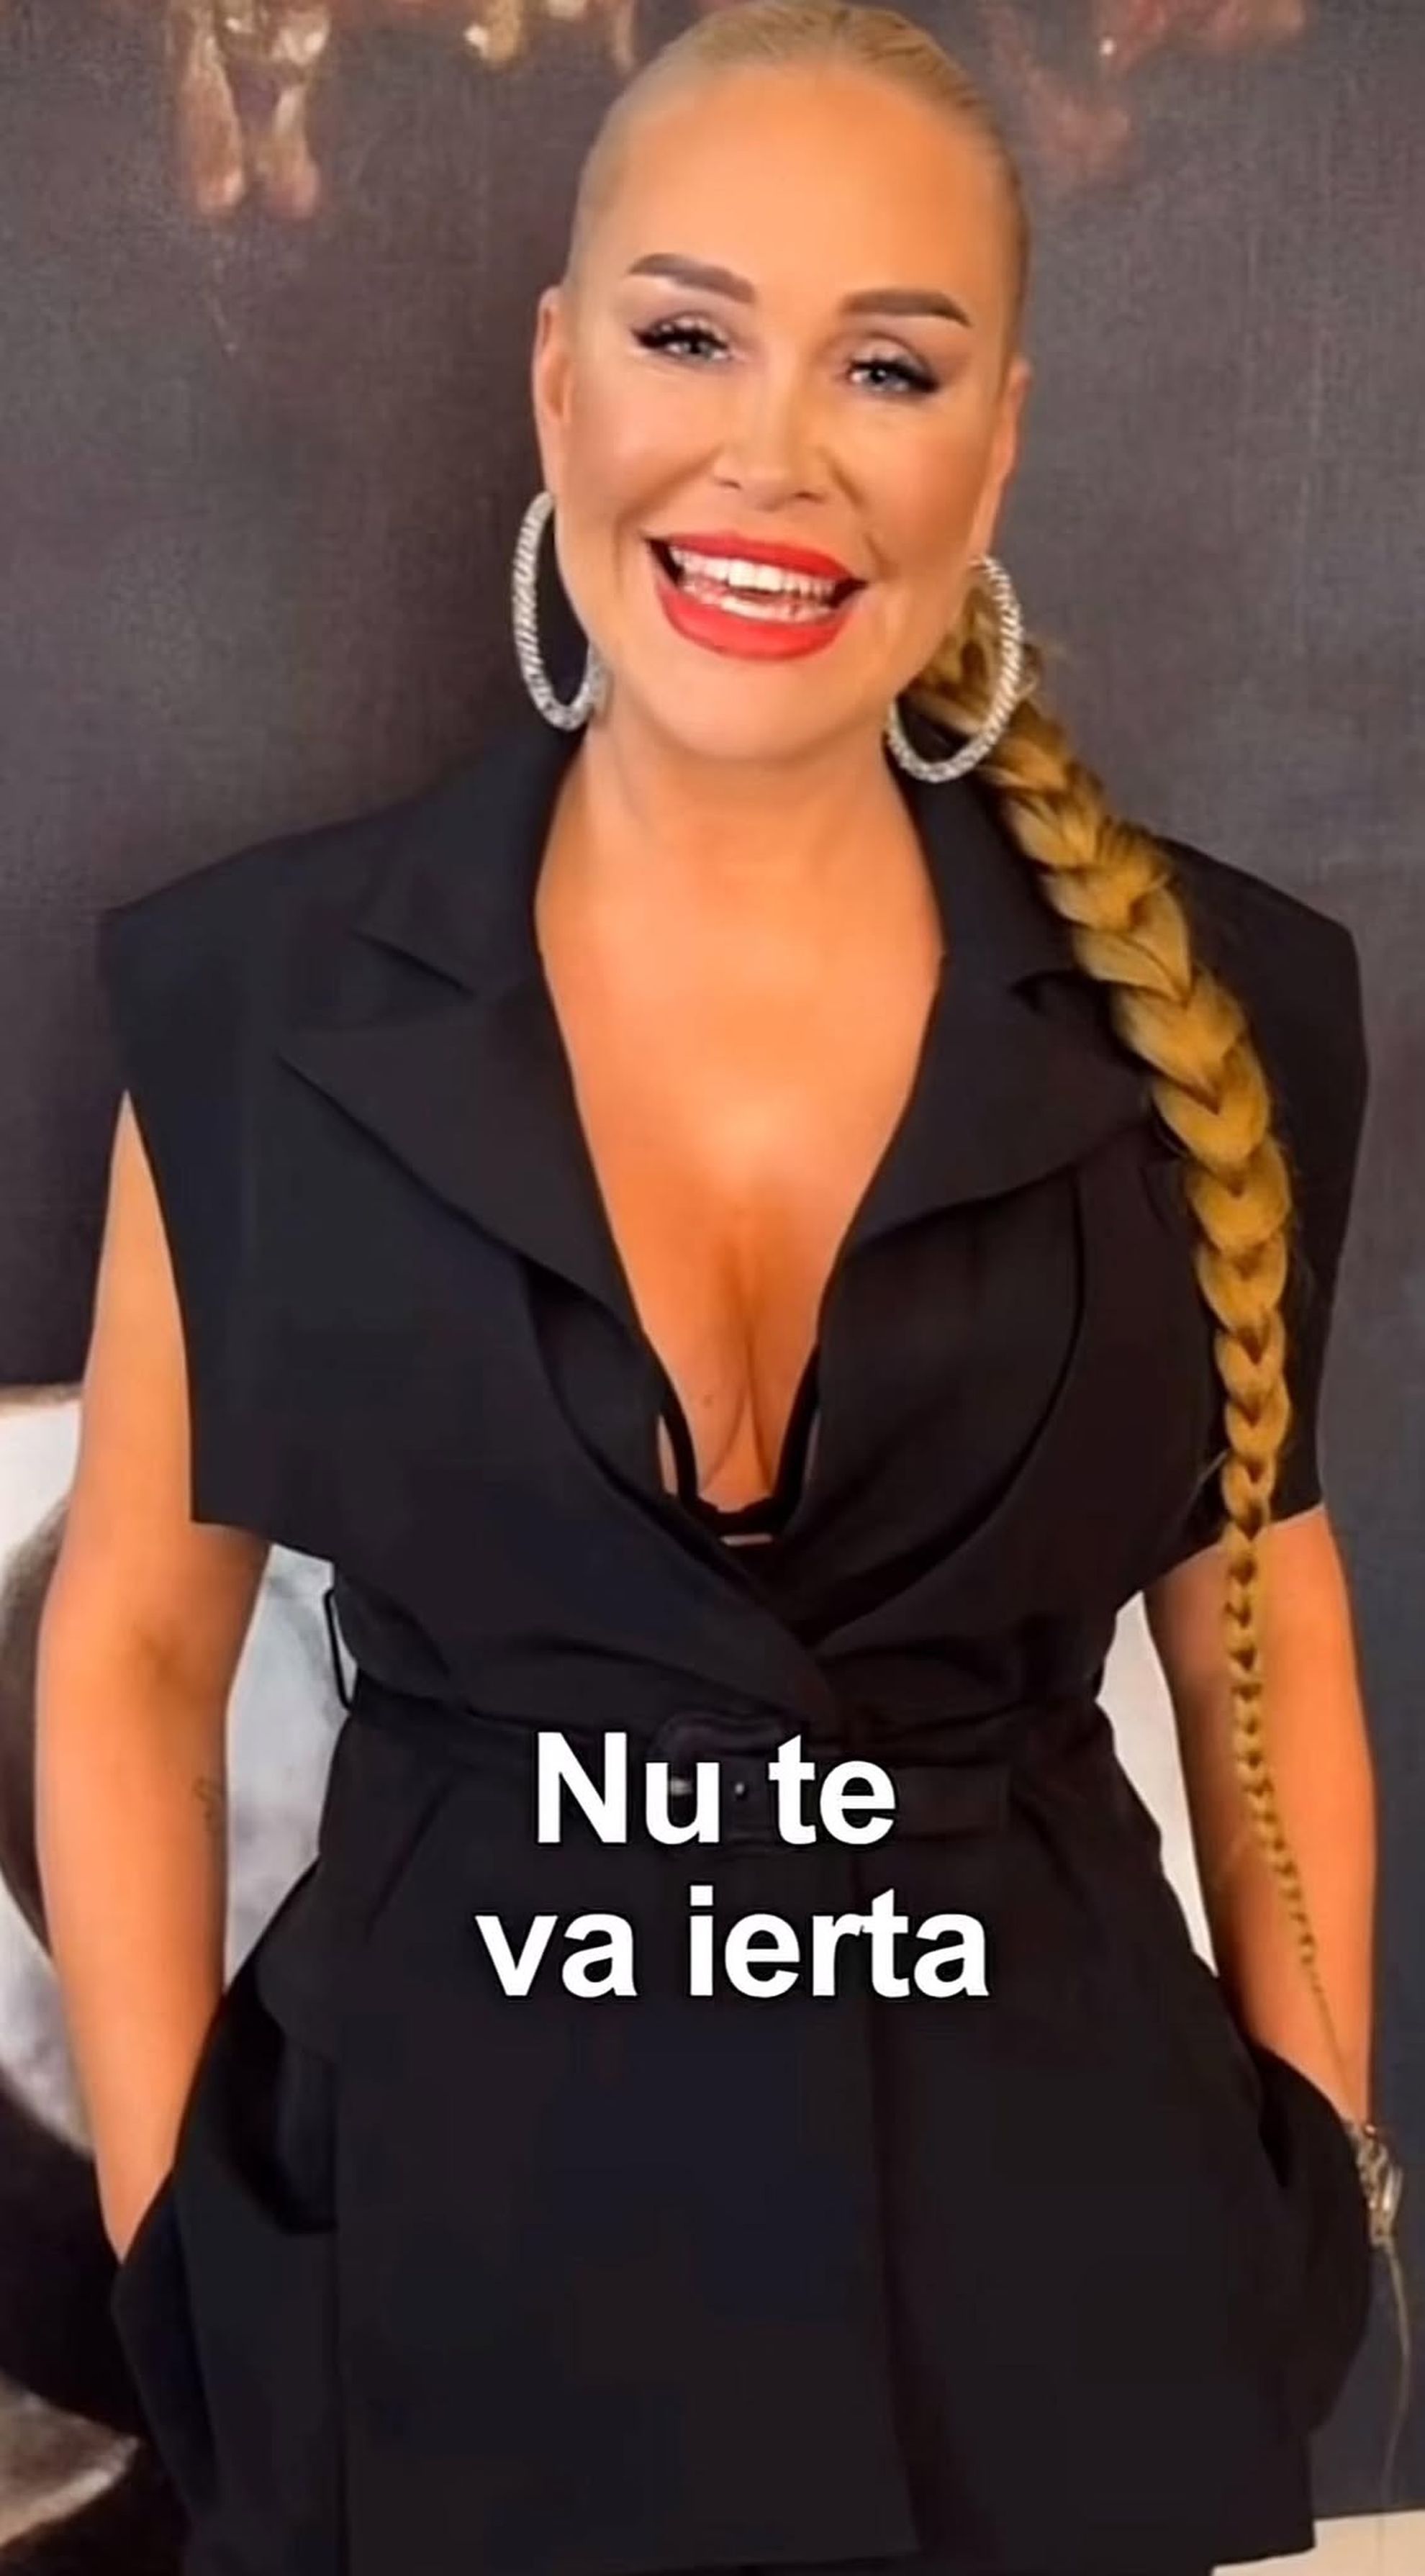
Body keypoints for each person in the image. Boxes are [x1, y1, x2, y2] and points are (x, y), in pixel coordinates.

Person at [36, 4, 1404, 2573]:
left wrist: (1303, 2156)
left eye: (885, 366)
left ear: (995, 443)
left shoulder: (1232, 1012)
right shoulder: (253, 1007)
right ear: (558, 382)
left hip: (1062, 2299)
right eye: (690, 335)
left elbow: (1267, 1607)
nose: (771, 453)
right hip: (428, 2300)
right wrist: (180, 2241)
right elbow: (126, 1643)